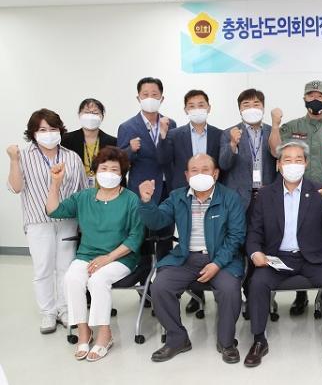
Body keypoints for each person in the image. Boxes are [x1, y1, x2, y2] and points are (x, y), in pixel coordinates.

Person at [245, 141, 322, 368]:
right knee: (257, 282)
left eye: (298, 159)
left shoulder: (318, 191)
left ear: (306, 163)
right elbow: (254, 232)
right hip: (277, 258)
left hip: (313, 257)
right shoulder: (265, 195)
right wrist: (255, 252)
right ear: (278, 165)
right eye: (287, 160)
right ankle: (259, 340)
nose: (293, 164)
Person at [139, 154, 246, 364]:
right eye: (194, 170)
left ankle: (226, 342)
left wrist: (217, 263)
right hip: (185, 258)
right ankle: (177, 339)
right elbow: (157, 221)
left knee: (229, 290)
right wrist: (146, 201)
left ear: (215, 174)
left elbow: (236, 236)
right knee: (160, 286)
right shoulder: (177, 197)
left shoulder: (230, 198)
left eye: (205, 169)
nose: (200, 174)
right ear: (187, 175)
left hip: (222, 259)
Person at [45, 147, 143, 361]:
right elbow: (53, 210)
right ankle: (84, 331)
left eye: (114, 169)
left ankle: (104, 334)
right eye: (104, 168)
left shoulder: (131, 199)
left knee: (97, 280)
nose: (108, 173)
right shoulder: (84, 197)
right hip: (87, 254)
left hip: (121, 257)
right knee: (72, 278)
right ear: (96, 171)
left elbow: (136, 237)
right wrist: (55, 183)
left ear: (122, 174)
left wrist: (108, 258)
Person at [267, 80, 322, 315]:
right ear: (304, 99)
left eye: (320, 96)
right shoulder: (292, 127)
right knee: (297, 244)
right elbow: (275, 150)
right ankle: (300, 295)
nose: (316, 99)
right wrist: (275, 125)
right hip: (294, 198)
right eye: (311, 95)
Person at [7, 109, 86, 334]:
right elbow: (16, 187)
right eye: (42, 129)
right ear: (33, 133)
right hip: (38, 221)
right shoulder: (24, 156)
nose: (48, 133)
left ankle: (65, 309)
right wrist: (13, 160)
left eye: (52, 128)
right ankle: (48, 312)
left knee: (66, 268)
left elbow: (82, 191)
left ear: (60, 130)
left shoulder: (72, 157)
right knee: (43, 269)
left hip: (67, 220)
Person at [158, 89, 223, 314]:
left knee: (212, 242)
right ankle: (197, 294)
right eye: (192, 106)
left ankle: (219, 289)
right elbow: (163, 160)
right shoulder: (175, 135)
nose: (197, 109)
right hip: (186, 196)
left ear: (209, 107)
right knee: (191, 242)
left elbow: (223, 164)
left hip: (212, 196)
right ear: (185, 109)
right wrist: (163, 136)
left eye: (201, 104)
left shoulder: (219, 134)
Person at [117, 77, 177, 260]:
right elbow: (119, 162)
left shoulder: (170, 123)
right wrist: (130, 150)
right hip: (141, 189)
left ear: (162, 98)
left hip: (167, 187)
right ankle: (143, 274)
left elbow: (173, 156)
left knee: (166, 235)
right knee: (141, 236)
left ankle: (164, 272)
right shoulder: (127, 127)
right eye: (145, 94)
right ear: (138, 98)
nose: (150, 98)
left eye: (154, 94)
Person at [219, 88, 278, 210]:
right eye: (246, 105)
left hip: (267, 195)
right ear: (240, 110)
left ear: (263, 108)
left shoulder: (272, 132)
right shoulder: (228, 133)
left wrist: (276, 125)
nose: (252, 108)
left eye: (256, 104)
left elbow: (279, 156)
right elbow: (224, 165)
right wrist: (233, 144)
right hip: (238, 197)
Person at [61, 98, 119, 189]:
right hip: (75, 190)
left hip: (103, 190)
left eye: (95, 113)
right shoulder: (66, 140)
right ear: (79, 115)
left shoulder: (112, 142)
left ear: (102, 117)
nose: (91, 116)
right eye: (87, 112)